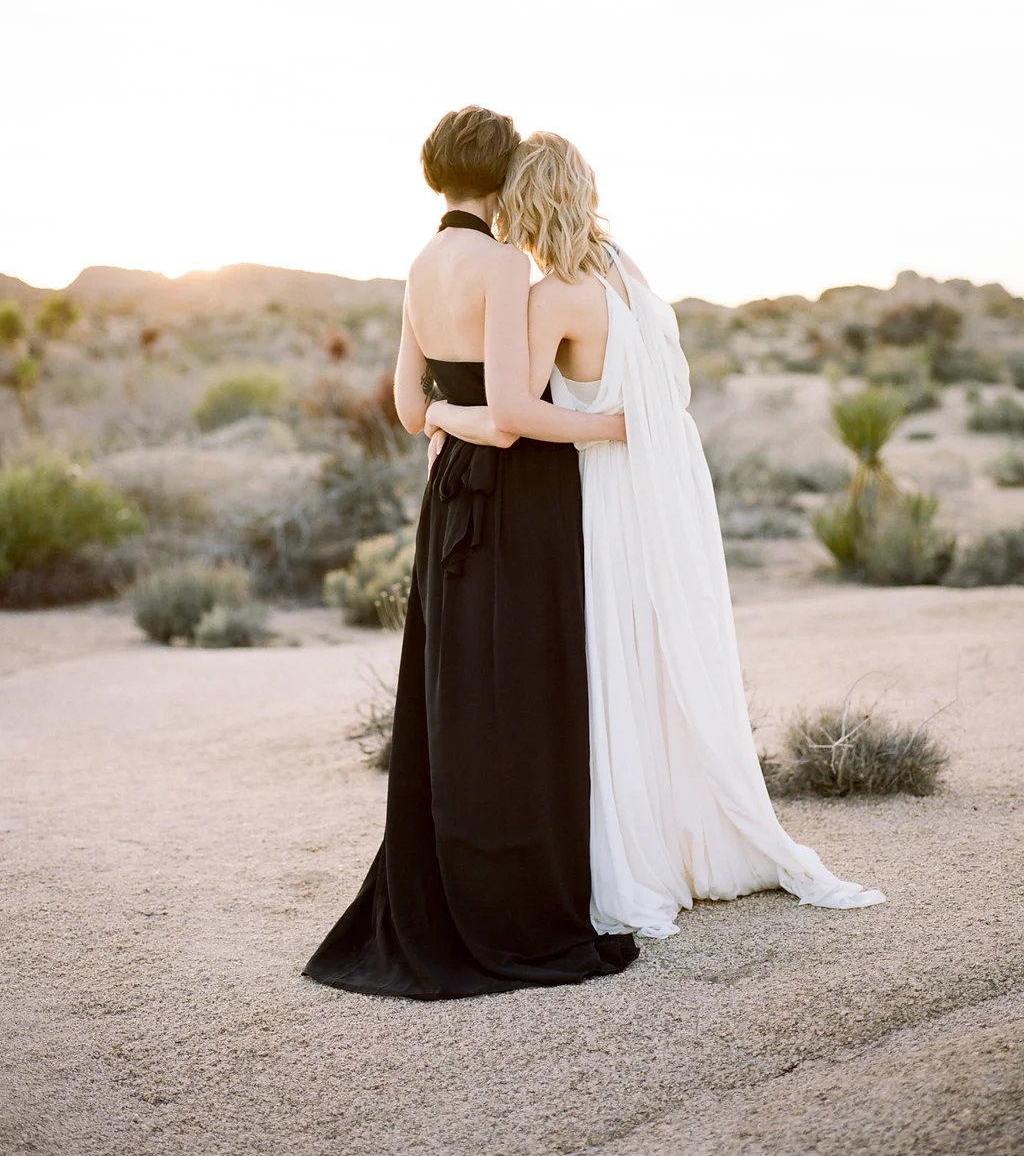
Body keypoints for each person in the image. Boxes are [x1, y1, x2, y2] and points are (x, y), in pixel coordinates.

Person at [427, 131, 885, 939]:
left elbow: (518, 413)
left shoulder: (553, 293)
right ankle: (686, 834)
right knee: (658, 651)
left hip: (604, 487)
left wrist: (451, 415)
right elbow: (668, 385)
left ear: (522, 199)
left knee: (613, 662)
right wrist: (636, 425)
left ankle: (631, 852)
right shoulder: (626, 271)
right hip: (663, 488)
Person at [302, 108, 639, 998]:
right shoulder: (502, 264)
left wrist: (447, 421)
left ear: (436, 177)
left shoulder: (418, 265)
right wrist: (603, 424)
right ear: (501, 182)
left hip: (443, 495)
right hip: (516, 494)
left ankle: (448, 883)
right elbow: (503, 418)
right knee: (523, 687)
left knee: (455, 689)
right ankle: (516, 902)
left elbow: (413, 411)